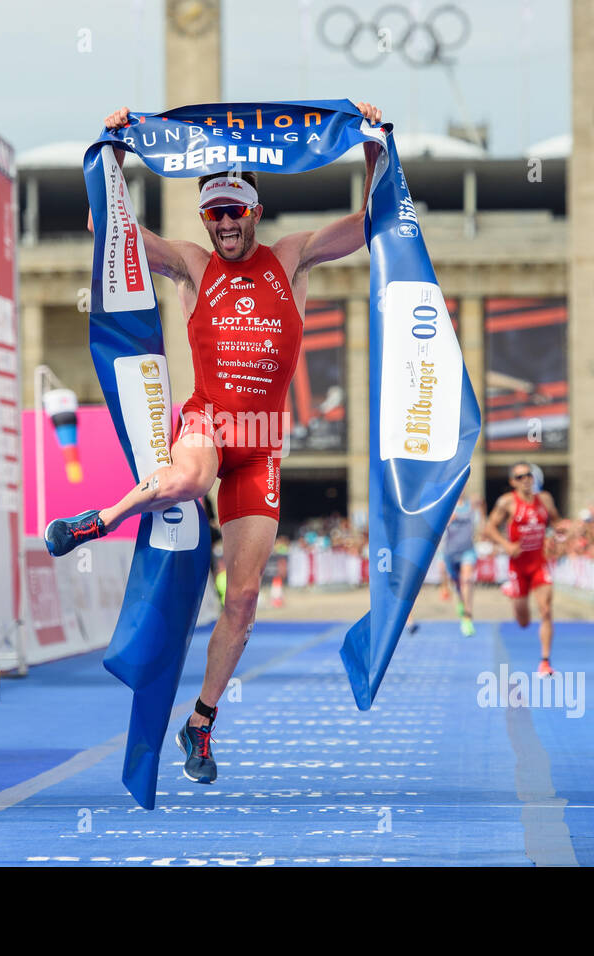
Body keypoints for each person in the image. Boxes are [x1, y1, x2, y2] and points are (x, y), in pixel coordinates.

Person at [45, 102, 384, 785]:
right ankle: (99, 519)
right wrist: (114, 150)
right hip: (207, 422)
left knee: (245, 597)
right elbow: (105, 228)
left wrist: (373, 147)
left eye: (235, 212)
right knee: (191, 480)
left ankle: (200, 723)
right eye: (214, 214)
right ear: (205, 220)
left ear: (254, 212)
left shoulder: (291, 257)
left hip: (260, 446)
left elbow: (372, 223)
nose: (225, 224)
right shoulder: (193, 264)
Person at [483, 463, 561, 674]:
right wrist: (506, 545)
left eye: (528, 475)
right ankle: (511, 591)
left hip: (539, 564)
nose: (526, 479)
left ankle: (545, 662)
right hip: (517, 566)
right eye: (520, 477)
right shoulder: (507, 502)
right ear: (513, 482)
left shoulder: (544, 499)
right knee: (524, 622)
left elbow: (556, 522)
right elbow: (489, 527)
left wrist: (559, 535)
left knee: (546, 610)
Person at [439, 490, 480, 636]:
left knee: (467, 580)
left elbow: (479, 522)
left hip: (468, 550)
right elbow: (438, 528)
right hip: (450, 552)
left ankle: (467, 617)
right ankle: (461, 603)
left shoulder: (471, 506)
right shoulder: (447, 506)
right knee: (458, 584)